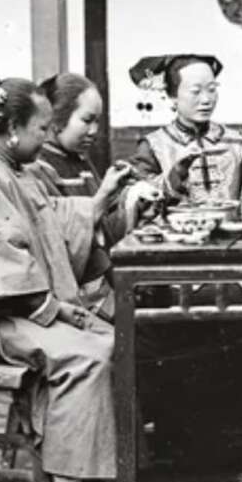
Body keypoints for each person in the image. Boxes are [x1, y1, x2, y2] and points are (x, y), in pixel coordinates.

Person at [0, 66, 128, 482]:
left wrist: (101, 203)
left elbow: (53, 228)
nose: (49, 135)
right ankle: (66, 473)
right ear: (11, 130)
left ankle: (92, 470)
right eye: (42, 128)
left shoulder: (16, 170)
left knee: (113, 337)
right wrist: (55, 309)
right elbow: (3, 262)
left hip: (27, 306)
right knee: (88, 355)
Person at [33, 72, 153, 311]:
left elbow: (103, 228)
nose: (94, 130)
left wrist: (130, 199)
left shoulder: (81, 162)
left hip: (101, 279)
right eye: (87, 120)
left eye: (98, 121)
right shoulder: (39, 168)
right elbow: (61, 240)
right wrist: (103, 196)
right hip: (74, 292)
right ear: (56, 119)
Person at [125, 54, 242, 213]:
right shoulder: (154, 146)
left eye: (211, 89)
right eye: (196, 91)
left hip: (231, 236)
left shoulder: (237, 144)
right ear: (172, 96)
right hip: (174, 238)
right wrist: (177, 173)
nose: (206, 99)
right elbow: (140, 204)